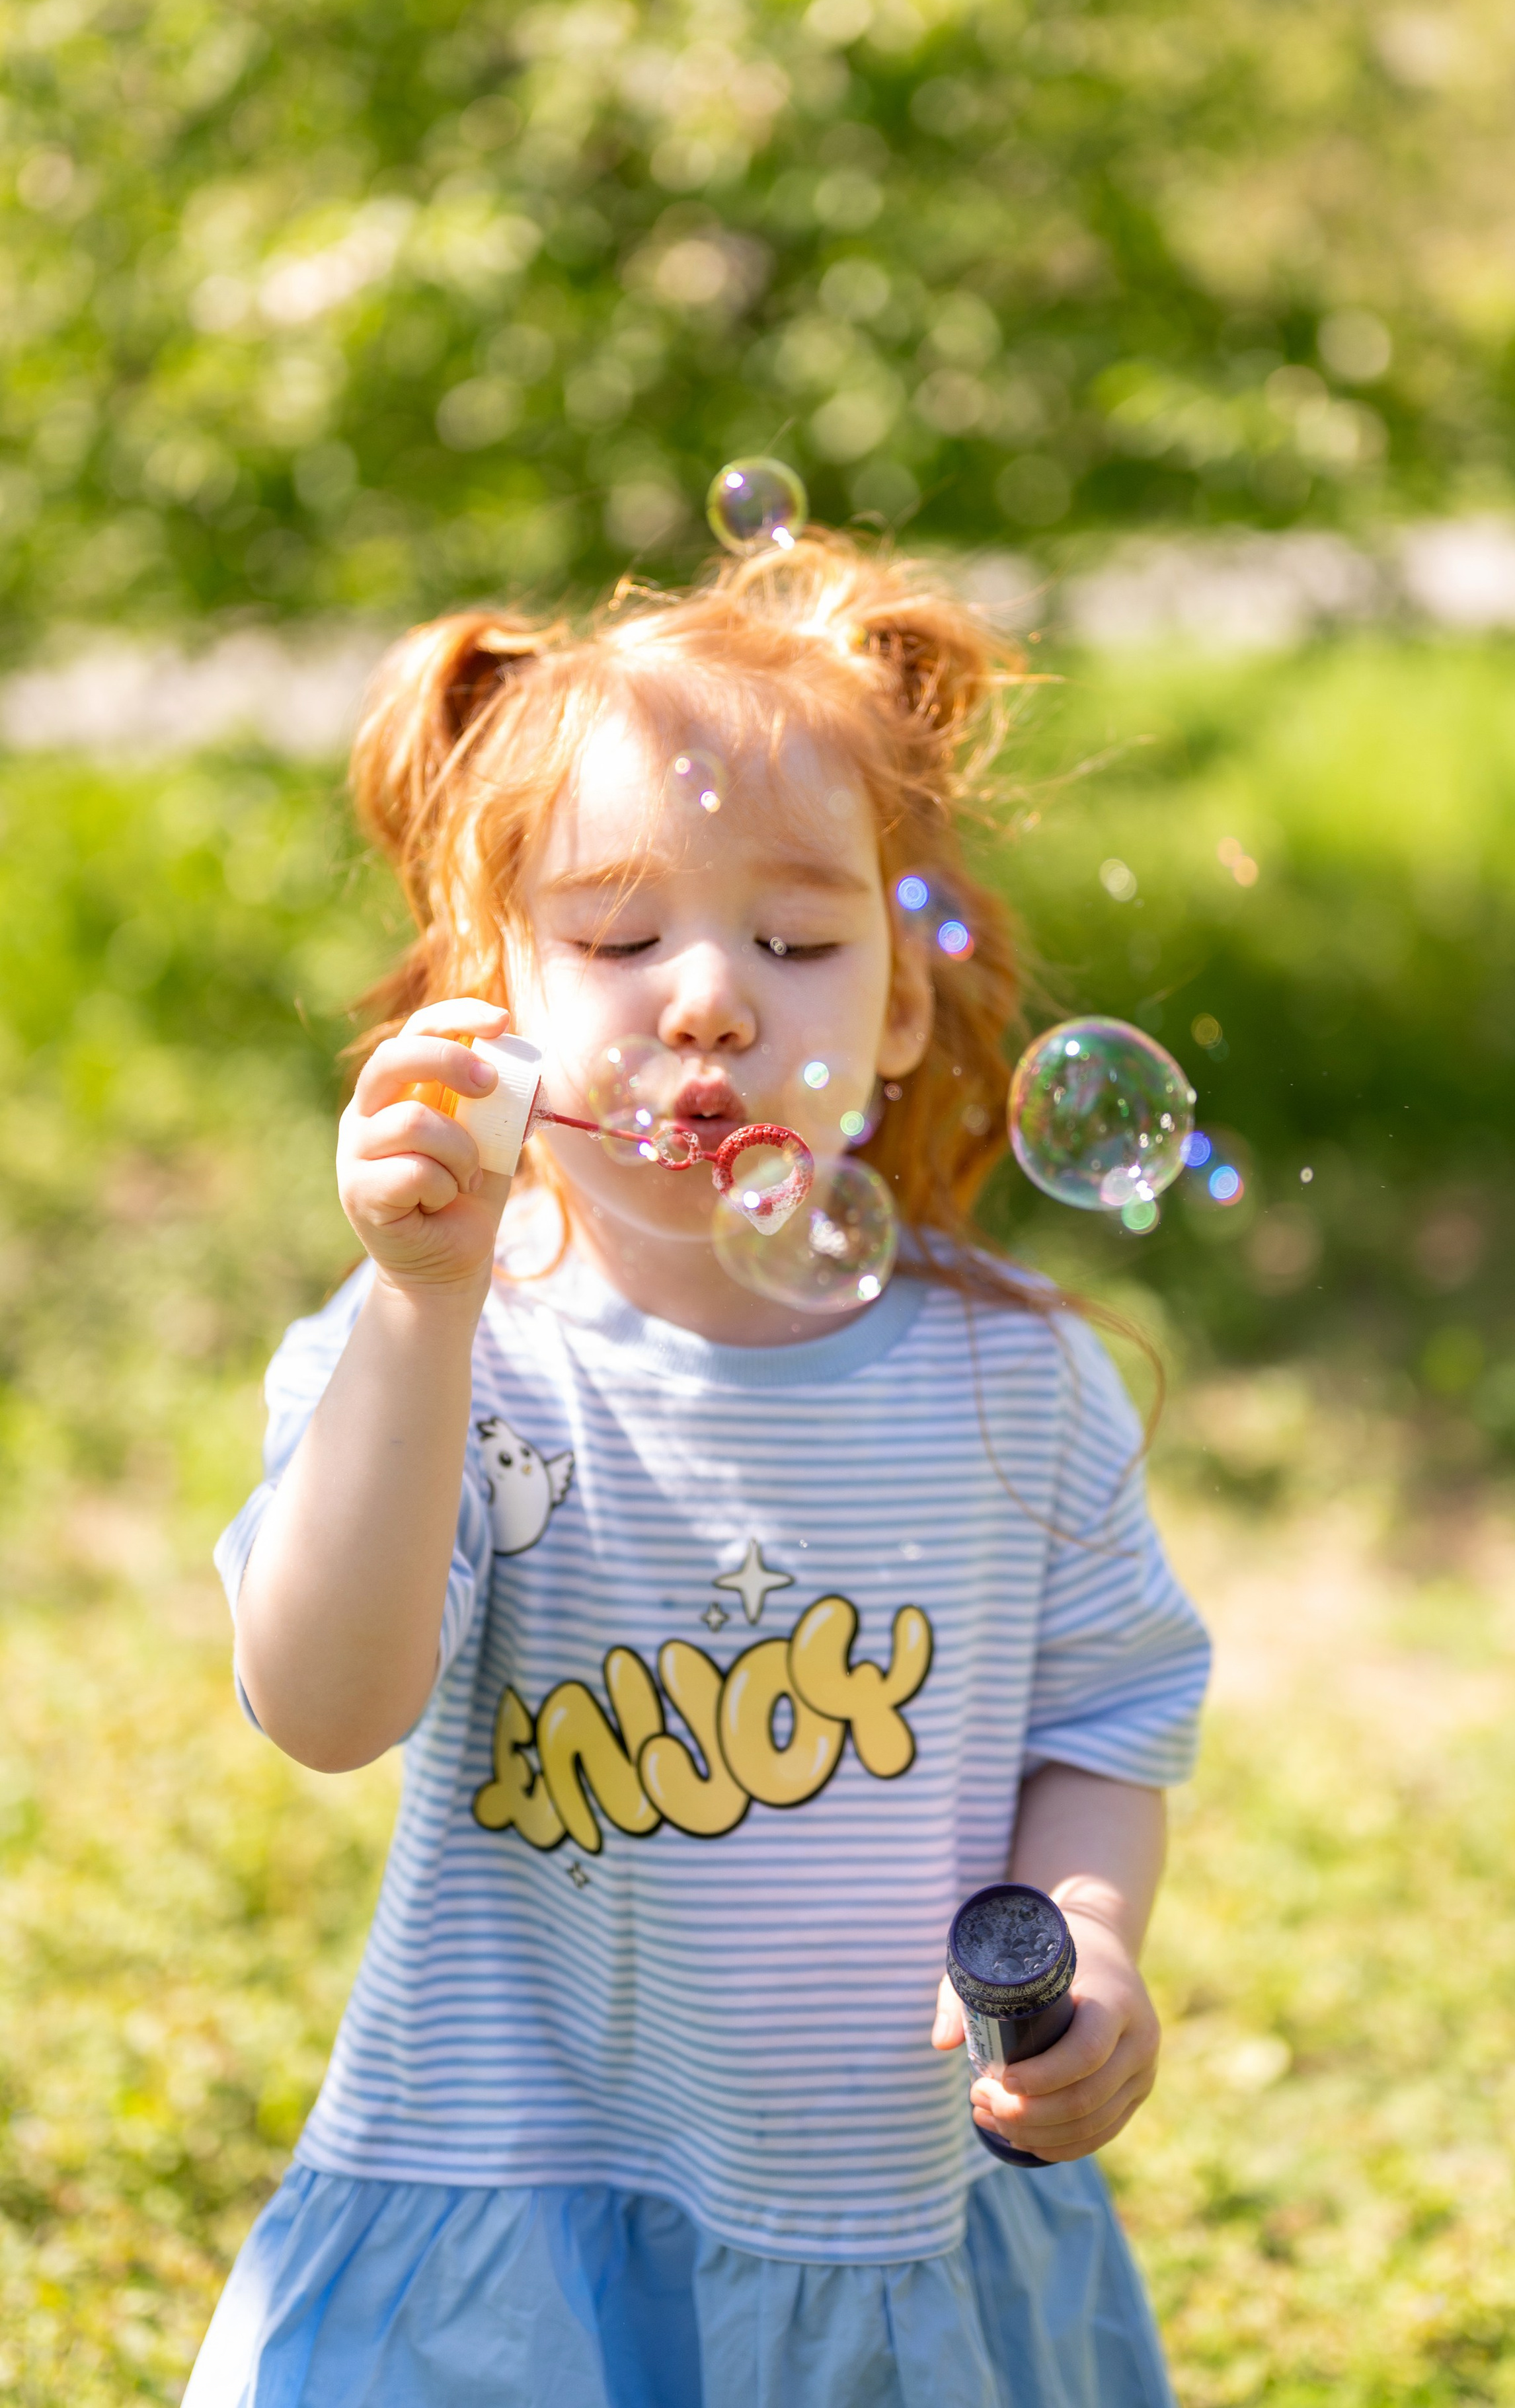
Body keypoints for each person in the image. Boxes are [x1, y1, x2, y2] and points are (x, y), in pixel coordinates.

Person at [184, 525, 1212, 2408]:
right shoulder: (449, 1355)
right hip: (506, 2209)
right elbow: (325, 1708)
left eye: (801, 940)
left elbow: (1104, 1724)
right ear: (486, 997)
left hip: (887, 2217)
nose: (712, 999)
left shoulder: (1016, 1383)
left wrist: (1089, 1945)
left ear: (902, 1007)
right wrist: (420, 1300)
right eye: (618, 935)